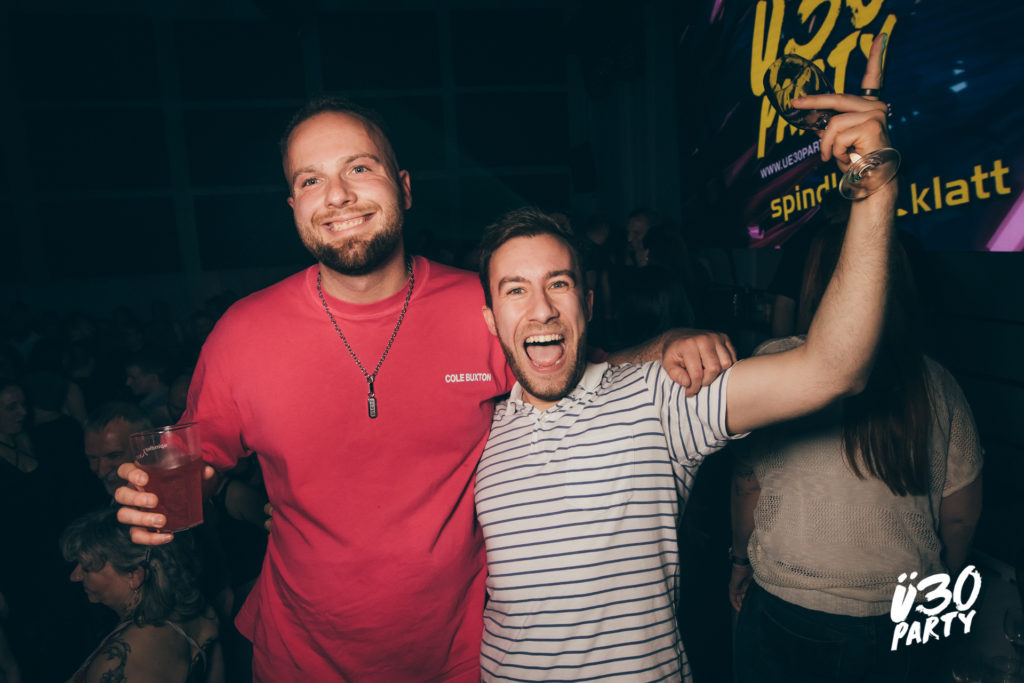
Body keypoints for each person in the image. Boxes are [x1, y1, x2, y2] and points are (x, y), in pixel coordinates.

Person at [112, 96, 734, 680]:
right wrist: (166, 498)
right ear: (293, 205)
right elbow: (201, 459)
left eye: (360, 168)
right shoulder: (243, 334)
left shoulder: (482, 308)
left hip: (458, 658)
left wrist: (668, 343)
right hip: (302, 659)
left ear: (404, 188)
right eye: (311, 179)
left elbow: (586, 368)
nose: (338, 195)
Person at [471, 47, 895, 680]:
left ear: (589, 303)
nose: (542, 310)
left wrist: (874, 188)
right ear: (490, 320)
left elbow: (832, 369)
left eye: (559, 284)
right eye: (515, 290)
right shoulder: (474, 427)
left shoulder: (658, 399)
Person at [728, 219, 982, 683]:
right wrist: (941, 581)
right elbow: (961, 517)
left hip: (788, 606)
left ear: (815, 284)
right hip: (903, 615)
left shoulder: (773, 362)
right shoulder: (938, 382)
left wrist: (740, 561)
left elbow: (748, 486)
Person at [60, 507, 224, 683]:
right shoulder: (203, 617)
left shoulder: (116, 664)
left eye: (86, 568)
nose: (74, 576)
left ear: (134, 576)